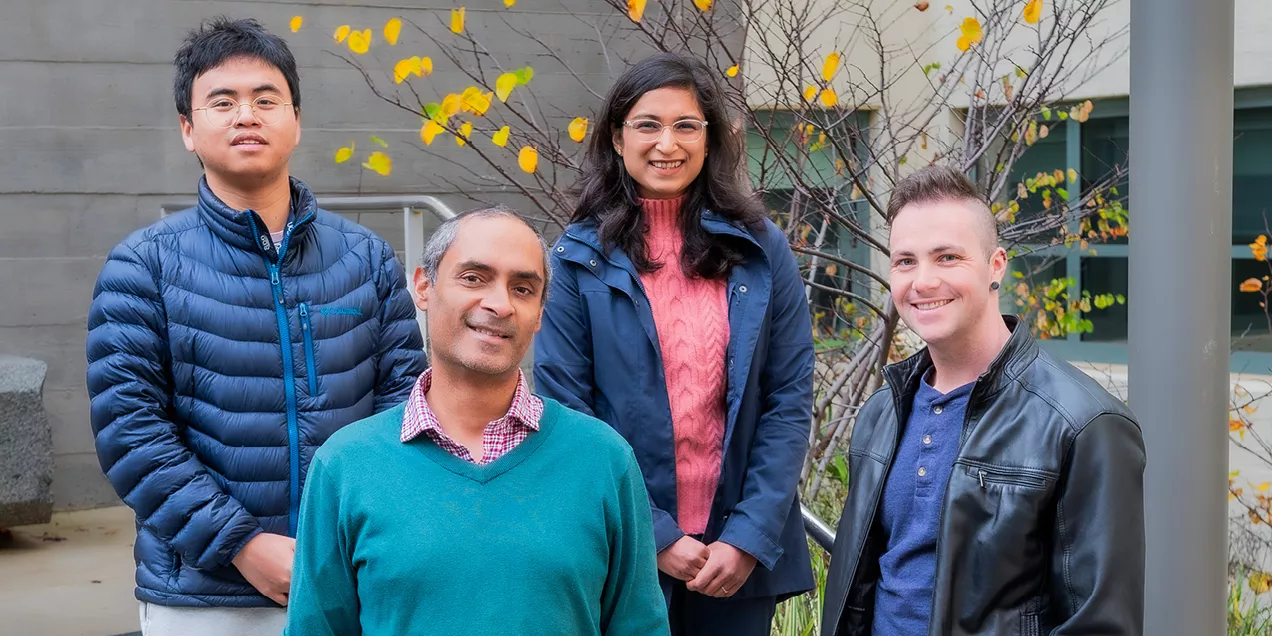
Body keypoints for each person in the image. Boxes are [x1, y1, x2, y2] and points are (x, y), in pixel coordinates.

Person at [85, 17, 425, 636]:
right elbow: (130, 433)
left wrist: (363, 534)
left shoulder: (364, 259)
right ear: (188, 129)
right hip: (206, 593)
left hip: (351, 577)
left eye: (266, 99)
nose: (247, 115)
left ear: (296, 120)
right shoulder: (144, 265)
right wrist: (242, 544)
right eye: (223, 101)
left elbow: (407, 402)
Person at [534, 52, 816, 635]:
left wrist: (746, 536)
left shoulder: (761, 251)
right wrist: (656, 534)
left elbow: (787, 400)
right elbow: (567, 411)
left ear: (710, 138)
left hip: (732, 557)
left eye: (686, 125)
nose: (668, 143)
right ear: (616, 137)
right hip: (623, 545)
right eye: (648, 124)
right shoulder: (578, 258)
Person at [285, 207, 669, 636]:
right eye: (474, 278)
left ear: (540, 313)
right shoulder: (345, 464)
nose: (500, 304)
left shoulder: (603, 459)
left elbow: (641, 627)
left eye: (523, 289)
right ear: (423, 287)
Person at [820, 165, 1146, 636]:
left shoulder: (1084, 424)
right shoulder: (883, 411)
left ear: (996, 266)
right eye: (905, 261)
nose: (923, 281)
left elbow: (1100, 624)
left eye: (947, 257)